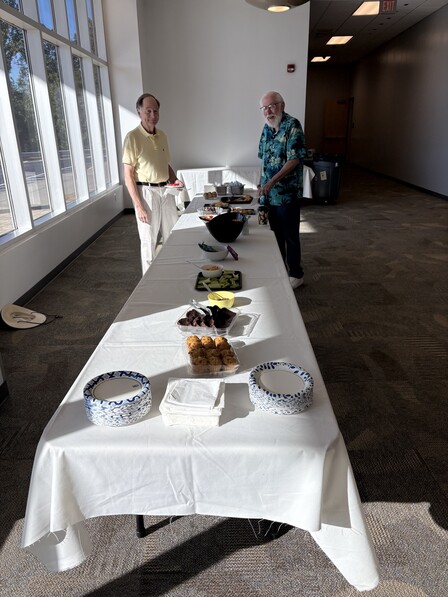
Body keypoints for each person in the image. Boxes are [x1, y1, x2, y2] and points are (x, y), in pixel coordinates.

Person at [122, 93, 184, 275]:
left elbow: (165, 164)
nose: (152, 115)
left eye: (155, 111)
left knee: (172, 235)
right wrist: (139, 206)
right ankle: (148, 284)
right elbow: (128, 175)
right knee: (149, 241)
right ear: (139, 112)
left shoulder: (162, 135)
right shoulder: (132, 137)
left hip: (167, 191)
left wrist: (175, 180)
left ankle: (172, 274)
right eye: (148, 111)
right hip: (146, 193)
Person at [257, 91, 307, 289]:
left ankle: (296, 274)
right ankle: (280, 270)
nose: (268, 111)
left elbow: (294, 159)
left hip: (287, 194)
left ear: (282, 105)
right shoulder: (266, 128)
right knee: (274, 234)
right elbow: (263, 159)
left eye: (272, 106)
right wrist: (261, 183)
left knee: (290, 235)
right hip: (269, 195)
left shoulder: (292, 125)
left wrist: (271, 182)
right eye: (264, 108)